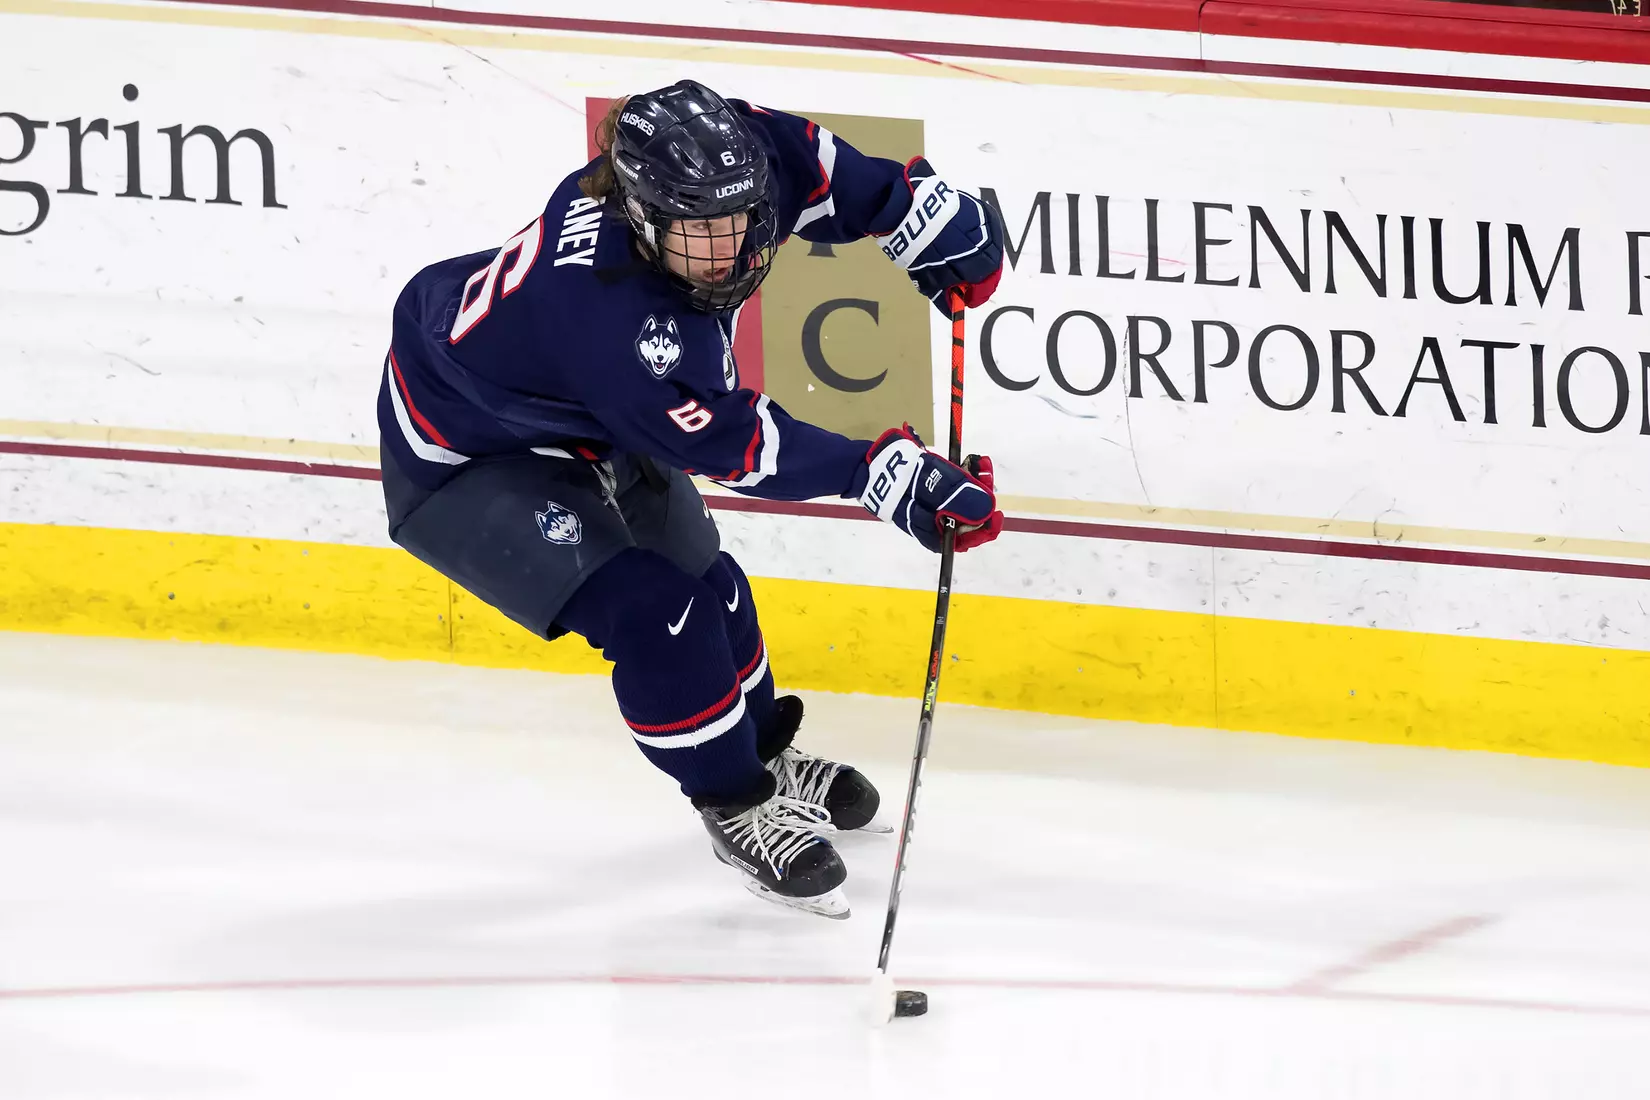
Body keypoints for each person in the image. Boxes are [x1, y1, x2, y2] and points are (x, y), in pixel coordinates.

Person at [376, 79, 1006, 919]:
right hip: (467, 450)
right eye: (696, 235)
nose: (728, 252)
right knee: (659, 611)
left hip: (580, 410)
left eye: (737, 223)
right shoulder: (608, 314)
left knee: (719, 590)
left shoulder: (733, 166)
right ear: (640, 217)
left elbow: (817, 167)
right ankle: (735, 802)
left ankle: (764, 756)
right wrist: (883, 473)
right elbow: (736, 447)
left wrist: (913, 213)